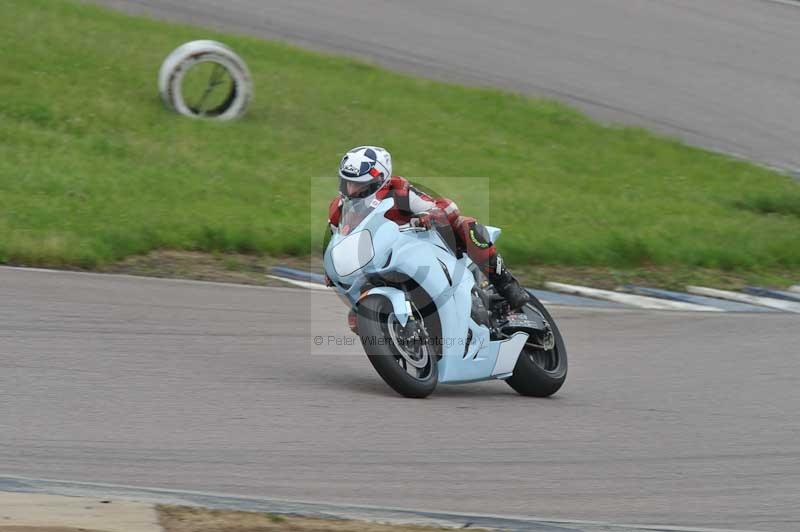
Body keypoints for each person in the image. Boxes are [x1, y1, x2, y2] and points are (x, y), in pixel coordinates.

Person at [328, 146, 530, 310]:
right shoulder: (338, 209)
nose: (352, 190)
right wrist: (331, 268)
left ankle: (507, 284)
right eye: (348, 183)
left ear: (380, 181)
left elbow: (447, 207)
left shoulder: (400, 192)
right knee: (357, 320)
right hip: (379, 263)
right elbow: (336, 241)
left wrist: (429, 216)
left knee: (465, 224)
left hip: (421, 248)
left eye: (360, 185)